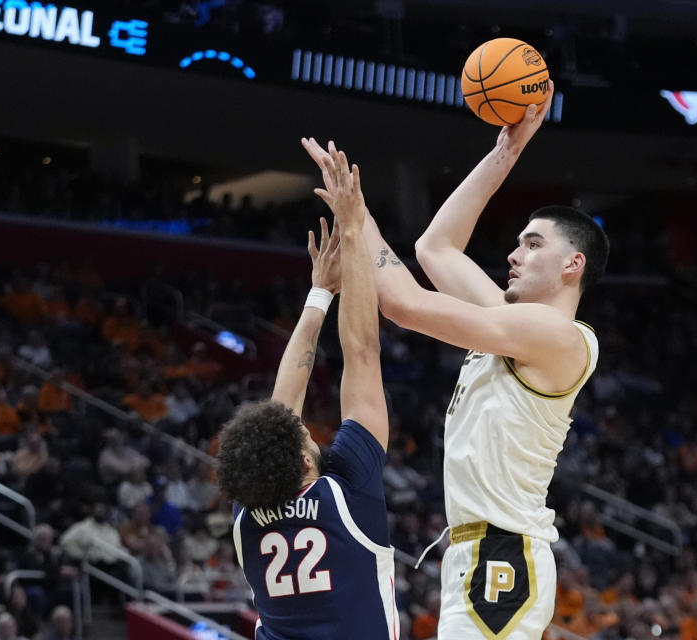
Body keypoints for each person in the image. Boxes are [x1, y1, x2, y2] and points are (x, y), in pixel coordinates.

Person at [302, 86, 609, 639]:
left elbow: (404, 303)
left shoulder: (559, 336)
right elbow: (435, 249)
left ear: (573, 264)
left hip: (500, 554)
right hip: (480, 552)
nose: (514, 254)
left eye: (533, 245)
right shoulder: (514, 327)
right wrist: (505, 154)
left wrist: (357, 217)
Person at [216, 215, 398, 639]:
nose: (304, 425)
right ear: (302, 460)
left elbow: (280, 412)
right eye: (304, 432)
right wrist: (352, 237)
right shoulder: (344, 494)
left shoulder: (247, 511)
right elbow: (362, 354)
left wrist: (321, 292)